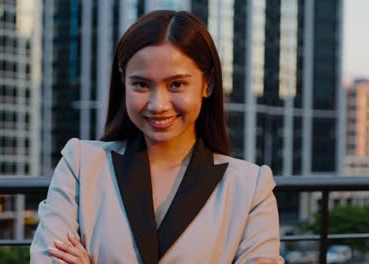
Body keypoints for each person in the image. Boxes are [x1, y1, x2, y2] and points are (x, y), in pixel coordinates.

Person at [30, 10, 284, 264]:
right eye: (141, 84)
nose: (158, 104)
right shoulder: (81, 164)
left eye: (177, 84)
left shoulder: (251, 187)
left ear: (207, 83)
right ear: (123, 84)